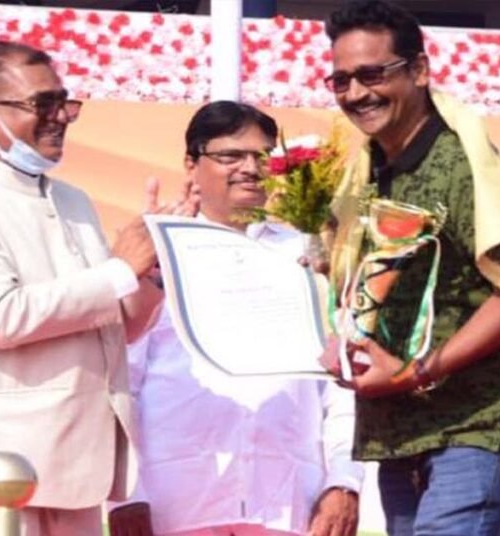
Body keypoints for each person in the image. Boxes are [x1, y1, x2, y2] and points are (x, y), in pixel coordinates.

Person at [0, 41, 195, 535]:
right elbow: (1, 317)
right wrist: (120, 269)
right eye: (42, 104)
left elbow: (114, 328)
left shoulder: (72, 201)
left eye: (64, 103)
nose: (60, 117)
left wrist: (153, 268)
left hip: (76, 472)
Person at [319, 1, 500, 535]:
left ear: (419, 70)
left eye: (372, 75)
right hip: (398, 429)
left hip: (475, 424)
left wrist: (421, 370)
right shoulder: (367, 171)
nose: (356, 93)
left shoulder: (462, 165)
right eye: (341, 80)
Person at [107, 101, 365, 536]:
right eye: (230, 156)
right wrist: (126, 495)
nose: (250, 168)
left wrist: (344, 481)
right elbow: (120, 381)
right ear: (191, 164)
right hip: (178, 500)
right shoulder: (156, 253)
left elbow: (342, 385)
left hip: (287, 500)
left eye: (262, 156)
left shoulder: (309, 255)